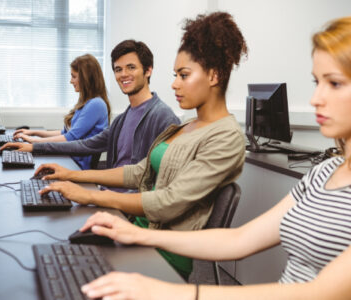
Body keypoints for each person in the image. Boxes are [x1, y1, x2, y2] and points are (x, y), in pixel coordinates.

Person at [77, 13, 351, 300]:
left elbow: (322, 292)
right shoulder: (324, 172)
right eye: (317, 82)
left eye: (335, 83)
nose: (316, 98)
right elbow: (241, 239)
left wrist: (166, 292)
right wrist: (137, 233)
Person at [36, 12, 247, 278]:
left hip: (162, 249)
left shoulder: (226, 136)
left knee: (66, 272)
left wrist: (91, 195)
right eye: (175, 75)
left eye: (183, 75)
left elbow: (169, 202)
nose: (174, 84)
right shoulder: (185, 126)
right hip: (138, 229)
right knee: (54, 256)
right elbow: (137, 172)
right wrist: (72, 176)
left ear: (214, 76)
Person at [1, 40, 180, 173]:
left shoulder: (163, 118)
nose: (123, 74)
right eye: (118, 69)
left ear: (148, 70)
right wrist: (34, 147)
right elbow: (85, 145)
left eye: (131, 67)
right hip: (110, 192)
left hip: (127, 206)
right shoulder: (122, 120)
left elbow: (159, 184)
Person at [11, 54, 111, 170]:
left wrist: (35, 143)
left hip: (77, 166)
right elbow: (65, 133)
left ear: (85, 79)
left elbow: (70, 137)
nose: (70, 81)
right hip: (69, 158)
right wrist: (33, 133)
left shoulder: (96, 105)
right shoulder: (86, 102)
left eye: (74, 77)